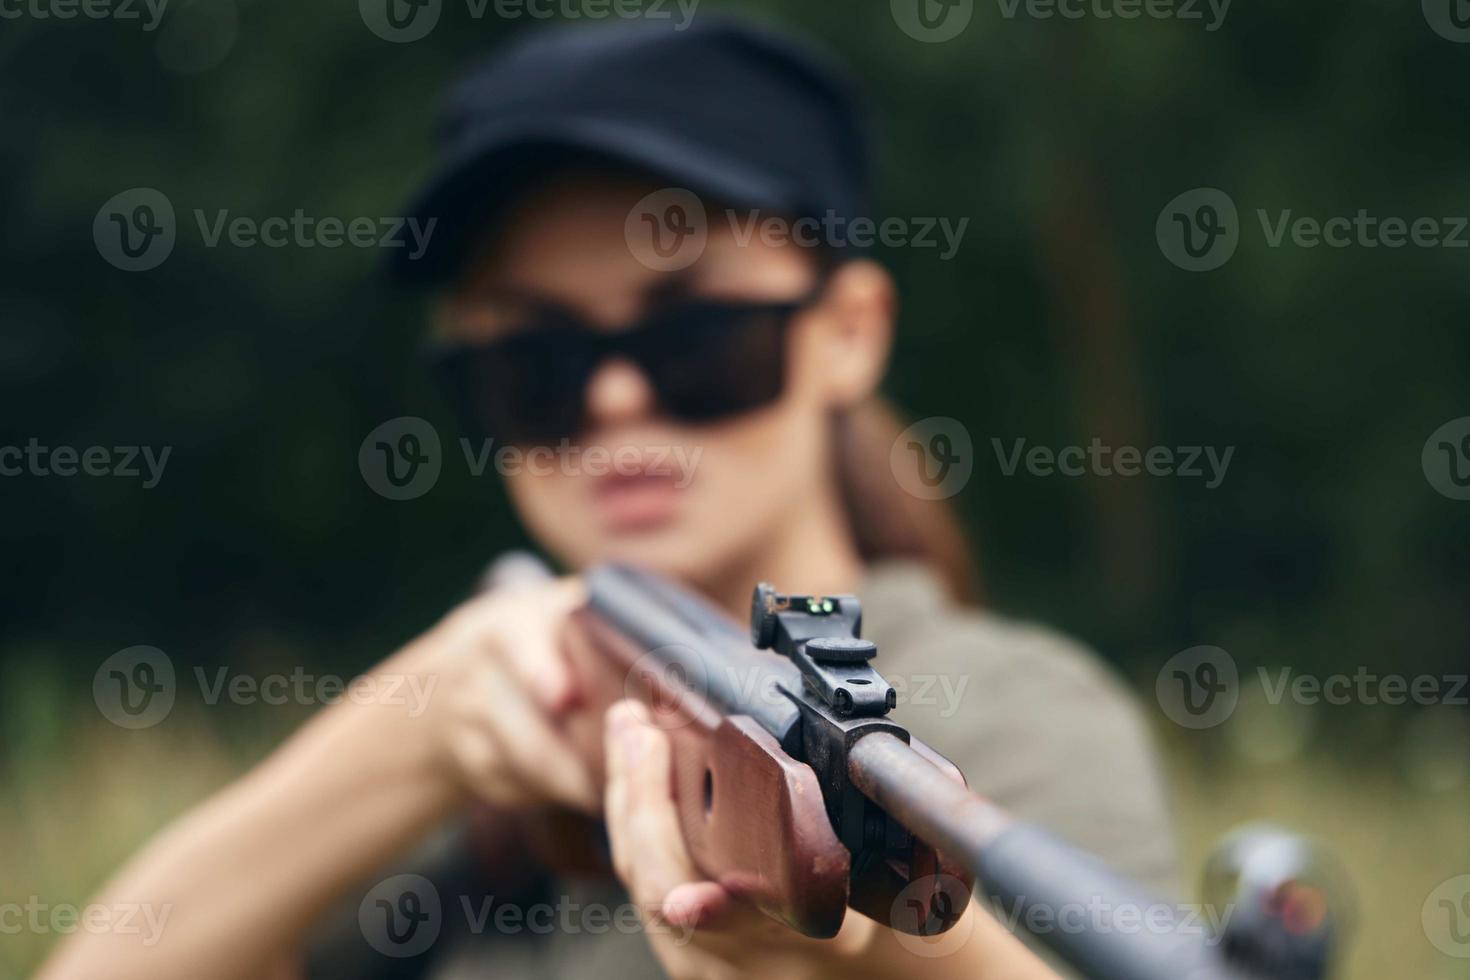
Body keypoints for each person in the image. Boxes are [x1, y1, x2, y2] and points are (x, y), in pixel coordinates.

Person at [40, 16, 1177, 980]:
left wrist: (900, 948)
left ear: (847, 334)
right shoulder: (486, 739)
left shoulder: (1010, 716)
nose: (621, 395)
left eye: (696, 337)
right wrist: (415, 730)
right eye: (535, 362)